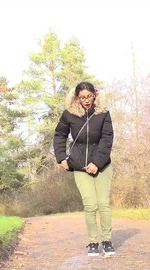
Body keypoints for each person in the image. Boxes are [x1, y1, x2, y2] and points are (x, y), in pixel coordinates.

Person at [53, 81, 115, 256]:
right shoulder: (69, 115)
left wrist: (97, 162)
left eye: (89, 96)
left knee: (103, 203)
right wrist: (61, 158)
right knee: (90, 205)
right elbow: (59, 135)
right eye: (82, 97)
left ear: (94, 95)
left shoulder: (103, 114)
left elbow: (107, 139)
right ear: (76, 98)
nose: (86, 100)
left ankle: (107, 241)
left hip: (102, 165)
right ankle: (93, 242)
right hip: (79, 165)